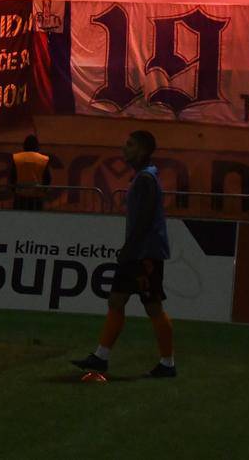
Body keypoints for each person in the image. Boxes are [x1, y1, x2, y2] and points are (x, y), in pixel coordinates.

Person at [71, 130, 176, 379]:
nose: (124, 148)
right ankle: (101, 357)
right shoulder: (144, 177)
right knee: (121, 301)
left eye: (129, 144)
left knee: (150, 306)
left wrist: (130, 248)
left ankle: (166, 363)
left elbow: (145, 217)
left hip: (144, 253)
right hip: (141, 251)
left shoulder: (145, 180)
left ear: (141, 150)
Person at [9, 134, 52, 211]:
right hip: (36, 197)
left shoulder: (17, 158)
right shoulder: (43, 159)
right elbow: (47, 179)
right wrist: (42, 190)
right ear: (37, 146)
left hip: (20, 197)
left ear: (24, 146)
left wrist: (14, 190)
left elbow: (12, 177)